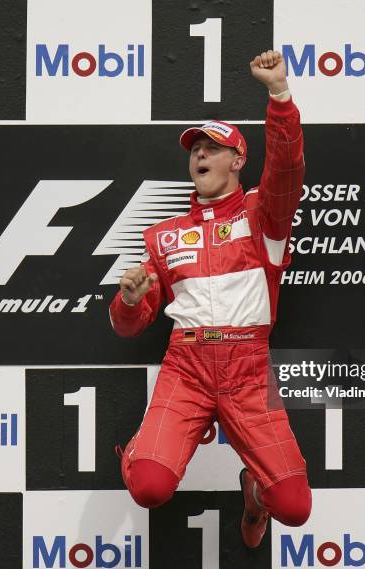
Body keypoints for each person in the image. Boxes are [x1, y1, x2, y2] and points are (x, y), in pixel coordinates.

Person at [110, 50, 310, 548]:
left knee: (295, 508)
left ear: (238, 160)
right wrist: (130, 302)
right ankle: (148, 447)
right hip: (187, 366)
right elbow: (128, 326)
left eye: (212, 147)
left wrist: (279, 95)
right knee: (149, 488)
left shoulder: (265, 216)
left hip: (249, 369)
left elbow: (287, 168)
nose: (199, 155)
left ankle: (255, 494)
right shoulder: (163, 235)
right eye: (194, 148)